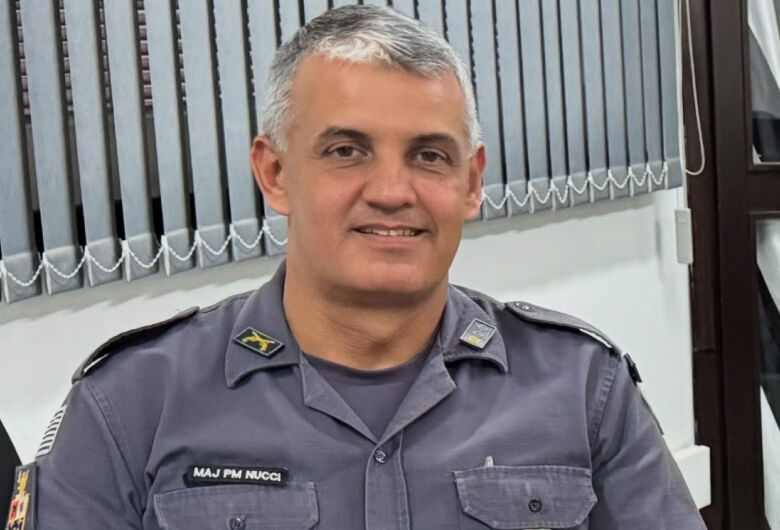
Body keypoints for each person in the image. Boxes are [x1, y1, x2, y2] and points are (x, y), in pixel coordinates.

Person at [12, 5, 705, 529]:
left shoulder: (581, 386)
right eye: (346, 151)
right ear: (275, 173)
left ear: (470, 182)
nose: (393, 191)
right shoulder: (133, 402)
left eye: (429, 155)